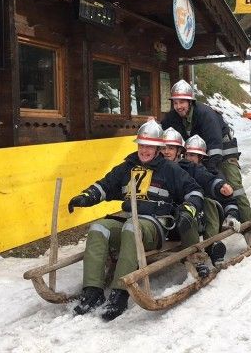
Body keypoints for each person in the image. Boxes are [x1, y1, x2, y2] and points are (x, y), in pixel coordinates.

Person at [67, 120, 205, 321]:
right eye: (141, 145)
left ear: (158, 148)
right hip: (127, 219)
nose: (144, 150)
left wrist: (188, 209)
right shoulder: (127, 167)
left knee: (132, 228)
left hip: (154, 224)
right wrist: (86, 197)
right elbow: (105, 185)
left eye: (149, 146)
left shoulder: (170, 170)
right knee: (98, 228)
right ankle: (92, 291)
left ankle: (119, 293)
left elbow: (195, 191)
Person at [160, 80, 251, 246]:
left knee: (234, 188)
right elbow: (163, 131)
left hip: (222, 153)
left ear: (190, 102)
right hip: (200, 153)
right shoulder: (173, 116)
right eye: (175, 102)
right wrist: (152, 125)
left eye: (181, 102)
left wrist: (210, 170)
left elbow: (215, 145)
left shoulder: (205, 114)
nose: (178, 106)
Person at [159, 128, 242, 265]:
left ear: (201, 157)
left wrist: (231, 215)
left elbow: (223, 193)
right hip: (172, 216)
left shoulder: (202, 171)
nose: (190, 158)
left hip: (201, 217)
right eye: (188, 155)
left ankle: (211, 244)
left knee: (208, 202)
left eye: (193, 155)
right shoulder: (160, 167)